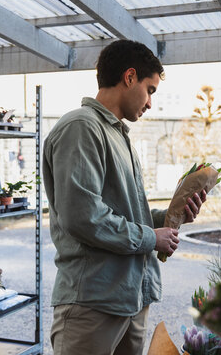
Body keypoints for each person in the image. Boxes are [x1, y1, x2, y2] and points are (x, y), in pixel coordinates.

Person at [43, 39, 206, 355]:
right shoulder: (81, 126)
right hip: (92, 303)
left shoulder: (120, 136)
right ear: (129, 77)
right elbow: (84, 217)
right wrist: (150, 238)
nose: (149, 103)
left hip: (130, 300)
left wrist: (173, 216)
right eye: (151, 90)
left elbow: (126, 213)